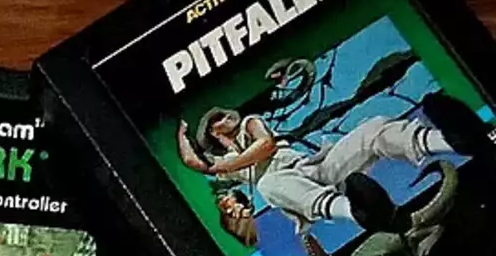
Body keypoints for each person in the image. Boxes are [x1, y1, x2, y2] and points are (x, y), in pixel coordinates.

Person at [177, 95, 477, 239]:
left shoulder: (249, 124)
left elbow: (265, 145)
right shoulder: (228, 164)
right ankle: (361, 212)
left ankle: (451, 140)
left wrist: (230, 163)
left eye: (222, 115)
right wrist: (182, 135)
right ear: (215, 135)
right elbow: (193, 162)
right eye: (217, 123)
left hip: (314, 168)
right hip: (292, 190)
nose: (224, 120)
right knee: (268, 184)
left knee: (371, 129)